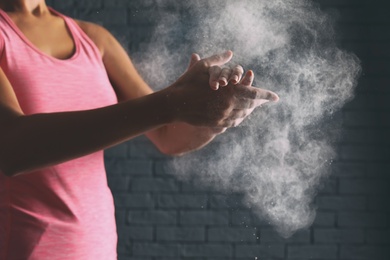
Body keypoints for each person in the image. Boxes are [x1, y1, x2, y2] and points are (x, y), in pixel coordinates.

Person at [0, 0, 279, 259]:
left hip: (96, 246)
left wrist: (215, 112)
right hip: (26, 249)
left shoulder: (93, 38)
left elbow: (168, 136)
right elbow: (13, 148)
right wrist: (174, 102)